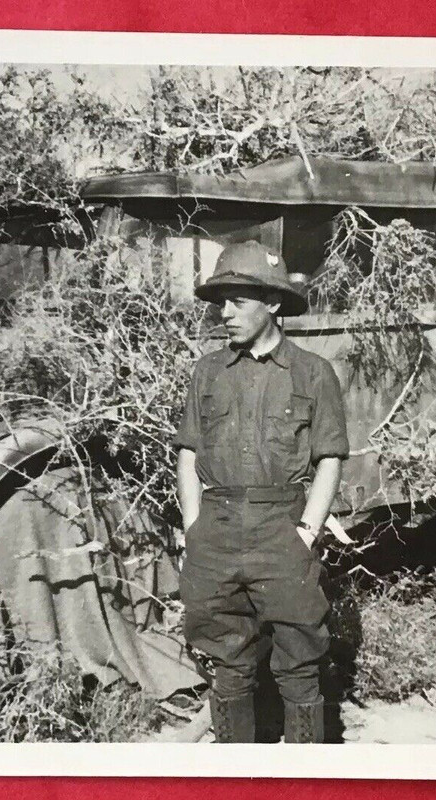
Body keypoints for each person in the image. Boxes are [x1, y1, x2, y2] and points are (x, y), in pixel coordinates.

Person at [174, 240, 349, 743]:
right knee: (227, 662)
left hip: (282, 531)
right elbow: (188, 452)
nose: (224, 313)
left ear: (273, 303)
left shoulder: (313, 373)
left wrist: (308, 532)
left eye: (238, 301)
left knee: (299, 662)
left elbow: (329, 457)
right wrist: (192, 527)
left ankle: (302, 780)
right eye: (220, 302)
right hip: (218, 529)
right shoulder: (207, 370)